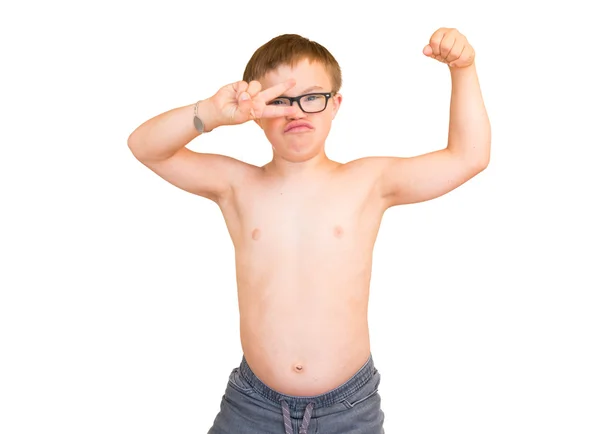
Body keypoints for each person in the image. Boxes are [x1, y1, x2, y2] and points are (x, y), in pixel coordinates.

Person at [127, 27, 491, 434]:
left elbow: (469, 157)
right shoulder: (236, 184)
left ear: (335, 105)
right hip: (252, 404)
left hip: (349, 408)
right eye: (278, 100)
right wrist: (210, 113)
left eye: (311, 98)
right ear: (254, 112)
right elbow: (145, 146)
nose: (295, 111)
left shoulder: (369, 181)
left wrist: (463, 68)